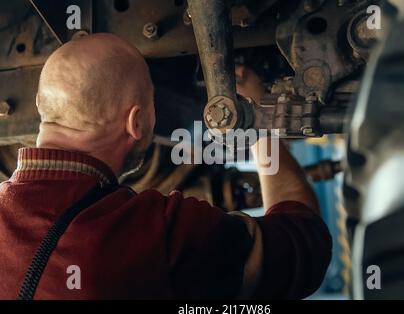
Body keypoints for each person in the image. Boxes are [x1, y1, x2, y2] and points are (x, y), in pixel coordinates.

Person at [0, 33, 331, 299]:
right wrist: (259, 124)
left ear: (42, 107)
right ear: (137, 122)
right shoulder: (152, 234)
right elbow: (303, 248)